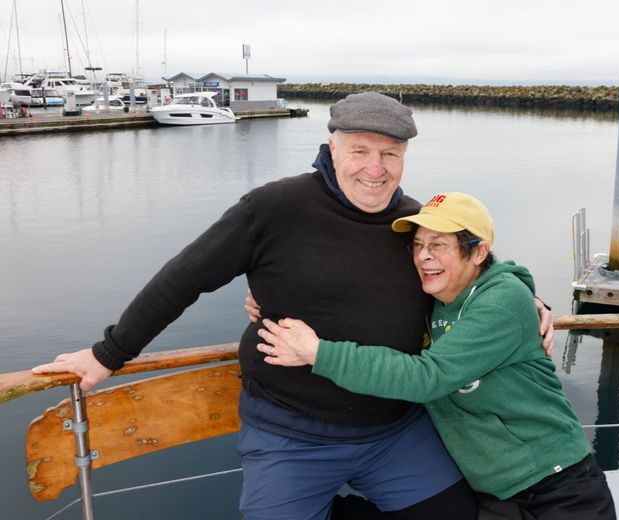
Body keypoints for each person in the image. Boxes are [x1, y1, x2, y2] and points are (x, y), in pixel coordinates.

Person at [32, 92, 553, 520]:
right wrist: (107, 354)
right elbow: (183, 278)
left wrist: (531, 302)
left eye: (390, 154)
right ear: (332, 148)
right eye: (360, 151)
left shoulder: (414, 222)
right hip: (290, 435)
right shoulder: (273, 208)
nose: (375, 169)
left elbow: (478, 269)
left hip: (396, 432)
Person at [257, 192, 616, 520]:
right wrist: (278, 297)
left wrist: (317, 353)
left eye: (439, 244)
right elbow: (355, 294)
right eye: (418, 244)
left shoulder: (501, 301)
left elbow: (426, 377)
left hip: (558, 486)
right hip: (495, 493)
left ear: (477, 252)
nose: (423, 256)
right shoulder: (433, 295)